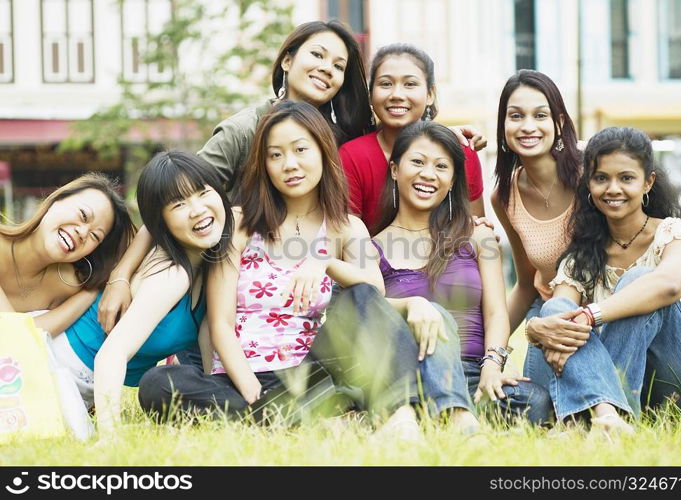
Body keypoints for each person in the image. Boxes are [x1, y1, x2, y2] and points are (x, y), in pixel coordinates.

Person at [138, 101, 431, 439]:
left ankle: (399, 420)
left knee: (360, 297)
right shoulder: (241, 224)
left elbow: (373, 292)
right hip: (244, 377)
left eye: (300, 149)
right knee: (158, 384)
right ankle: (320, 419)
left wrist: (323, 262)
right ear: (263, 165)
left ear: (322, 151)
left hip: (311, 372)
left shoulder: (346, 227)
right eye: (275, 155)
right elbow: (220, 324)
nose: (289, 164)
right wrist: (252, 392)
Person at [96, 20, 374, 336]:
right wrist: (121, 274)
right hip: (231, 290)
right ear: (287, 59)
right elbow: (176, 200)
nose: (328, 69)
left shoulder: (338, 143)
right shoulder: (242, 131)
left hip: (308, 303)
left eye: (339, 66)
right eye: (318, 55)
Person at [373, 120, 552, 425]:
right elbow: (369, 313)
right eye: (417, 162)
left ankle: (448, 415)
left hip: (471, 371)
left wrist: (492, 368)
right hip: (412, 376)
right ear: (394, 169)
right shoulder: (372, 248)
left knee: (535, 401)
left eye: (441, 166)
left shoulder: (477, 237)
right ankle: (440, 416)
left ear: (453, 178)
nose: (428, 175)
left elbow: (496, 313)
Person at [44, 151, 234, 434]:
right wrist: (111, 440)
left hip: (81, 383)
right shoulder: (171, 274)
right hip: (56, 368)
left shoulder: (210, 269)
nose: (197, 209)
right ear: (163, 223)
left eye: (203, 193)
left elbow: (209, 362)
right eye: (179, 204)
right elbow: (110, 356)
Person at [527, 126, 681, 433]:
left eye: (627, 178)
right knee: (554, 312)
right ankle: (608, 416)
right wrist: (539, 328)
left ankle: (598, 413)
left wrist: (590, 315)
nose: (613, 188)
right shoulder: (583, 253)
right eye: (601, 178)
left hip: (678, 378)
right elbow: (559, 313)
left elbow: (669, 284)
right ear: (589, 185)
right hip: (610, 376)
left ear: (648, 182)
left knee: (639, 280)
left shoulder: (674, 233)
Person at [489, 70, 591, 381]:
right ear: (503, 125)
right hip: (549, 317)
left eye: (540, 115)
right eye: (516, 116)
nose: (528, 127)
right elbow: (524, 284)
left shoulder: (591, 173)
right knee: (536, 408)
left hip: (605, 312)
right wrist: (488, 357)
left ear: (558, 123)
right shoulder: (504, 197)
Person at [339, 43, 486, 233]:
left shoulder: (460, 151)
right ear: (370, 94)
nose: (397, 95)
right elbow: (346, 240)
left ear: (430, 94)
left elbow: (477, 230)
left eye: (410, 84)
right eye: (385, 84)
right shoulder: (352, 156)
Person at [0, 173, 133, 334]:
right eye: (83, 215)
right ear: (57, 200)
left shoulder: (67, 286)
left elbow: (30, 337)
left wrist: (103, 286)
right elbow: (10, 333)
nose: (83, 233)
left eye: (95, 236)